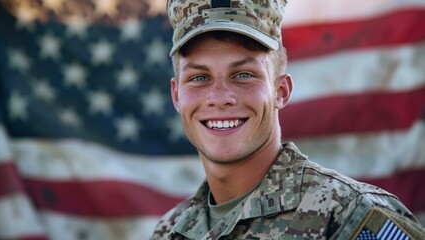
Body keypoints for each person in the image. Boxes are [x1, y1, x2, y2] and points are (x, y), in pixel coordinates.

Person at [151, 0, 425, 239]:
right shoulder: (171, 230)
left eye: (244, 75)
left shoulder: (348, 215)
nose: (220, 97)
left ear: (281, 91)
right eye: (199, 78)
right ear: (177, 96)